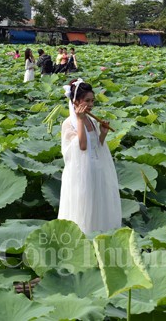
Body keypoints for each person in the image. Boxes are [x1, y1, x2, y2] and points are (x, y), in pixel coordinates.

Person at [58, 79, 121, 234]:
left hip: (96, 169)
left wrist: (103, 134)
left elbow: (96, 146)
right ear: (76, 101)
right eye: (87, 100)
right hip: (80, 173)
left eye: (92, 101)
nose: (91, 104)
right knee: (83, 206)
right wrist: (79, 120)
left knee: (98, 205)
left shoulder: (92, 120)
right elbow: (83, 146)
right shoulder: (69, 124)